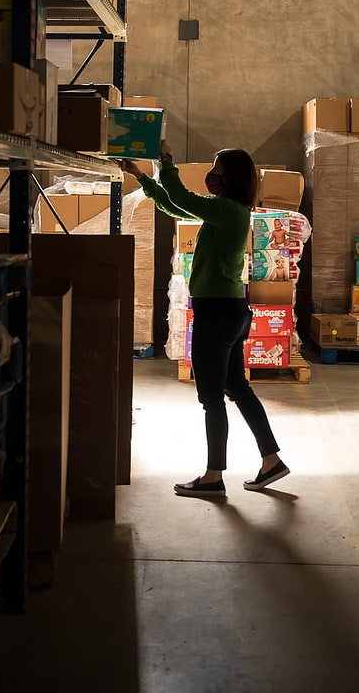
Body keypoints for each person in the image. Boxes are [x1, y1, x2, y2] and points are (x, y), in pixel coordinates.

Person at [118, 141, 289, 498]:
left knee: (211, 398)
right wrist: (141, 177)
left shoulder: (229, 211)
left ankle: (213, 477)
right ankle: (271, 460)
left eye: (216, 169)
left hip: (217, 314)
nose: (212, 175)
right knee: (237, 389)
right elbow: (173, 204)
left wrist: (165, 162)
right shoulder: (226, 210)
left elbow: (180, 195)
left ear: (232, 176)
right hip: (228, 311)